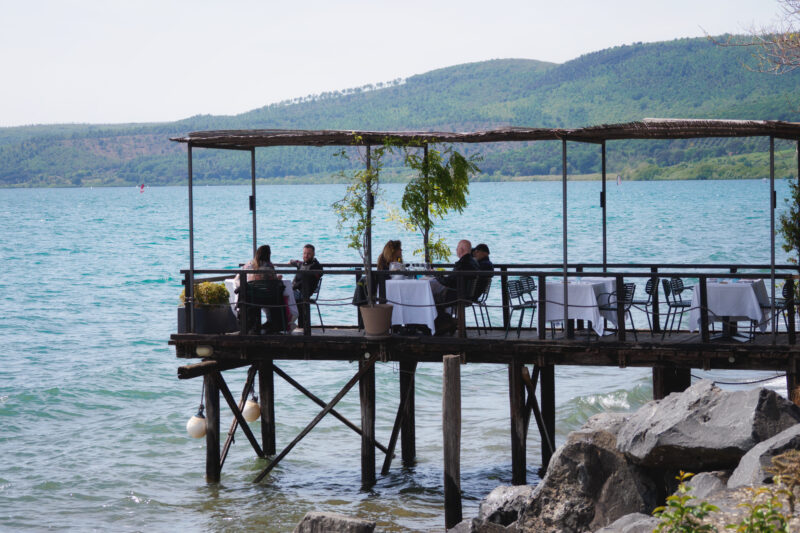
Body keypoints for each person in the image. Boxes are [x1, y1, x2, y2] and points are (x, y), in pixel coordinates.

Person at [432, 239, 479, 335]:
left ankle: (445, 324)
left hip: (457, 295)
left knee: (430, 297)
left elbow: (448, 282)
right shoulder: (473, 262)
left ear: (461, 249)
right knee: (435, 296)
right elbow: (452, 280)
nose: (456, 250)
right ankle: (446, 323)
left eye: (457, 248)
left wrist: (436, 275)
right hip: (466, 294)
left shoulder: (462, 263)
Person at [289, 244, 324, 327]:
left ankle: (287, 323)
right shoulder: (302, 264)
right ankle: (286, 323)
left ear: (313, 254)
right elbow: (297, 262)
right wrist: (291, 261)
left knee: (281, 296)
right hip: (295, 290)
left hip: (304, 293)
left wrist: (292, 287)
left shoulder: (315, 266)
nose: (306, 255)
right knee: (279, 293)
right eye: (304, 253)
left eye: (309, 254)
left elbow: (320, 272)